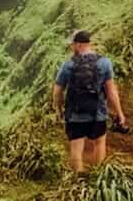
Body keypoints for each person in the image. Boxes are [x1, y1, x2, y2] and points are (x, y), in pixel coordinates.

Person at [52, 30, 126, 173]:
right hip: (97, 113)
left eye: (72, 45)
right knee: (99, 143)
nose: (71, 47)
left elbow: (57, 91)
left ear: (78, 45)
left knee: (76, 147)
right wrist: (120, 113)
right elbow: (111, 91)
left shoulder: (67, 65)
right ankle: (98, 177)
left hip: (75, 114)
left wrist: (58, 109)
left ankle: (79, 181)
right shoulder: (104, 63)